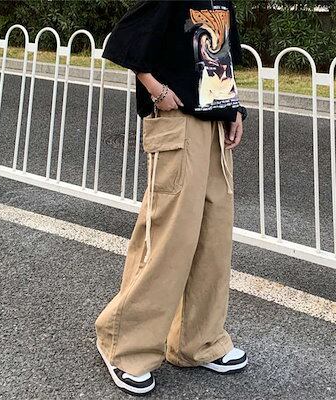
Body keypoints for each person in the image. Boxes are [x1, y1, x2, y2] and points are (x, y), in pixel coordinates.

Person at [95, 0, 249, 395]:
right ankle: (124, 346)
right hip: (177, 125)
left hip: (214, 125)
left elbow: (221, 58)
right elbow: (124, 40)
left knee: (213, 239)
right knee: (168, 238)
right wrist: (156, 89)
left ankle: (198, 342)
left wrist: (235, 108)